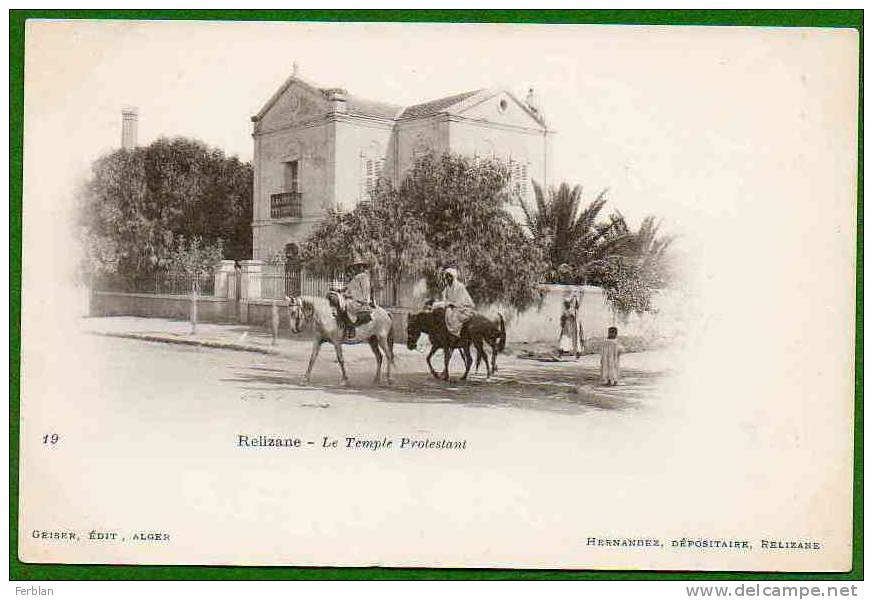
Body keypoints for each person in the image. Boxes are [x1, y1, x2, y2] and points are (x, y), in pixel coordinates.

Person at [435, 267, 475, 340]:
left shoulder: (460, 287)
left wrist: (450, 304)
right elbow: (445, 299)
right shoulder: (447, 288)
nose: (448, 278)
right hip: (453, 306)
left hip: (464, 307)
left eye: (449, 276)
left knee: (451, 314)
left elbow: (461, 301)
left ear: (453, 277)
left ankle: (454, 334)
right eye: (446, 276)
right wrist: (438, 304)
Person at [339, 254, 373, 337]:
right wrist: (339, 291)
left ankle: (351, 328)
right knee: (340, 303)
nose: (356, 268)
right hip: (353, 300)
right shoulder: (355, 278)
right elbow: (347, 288)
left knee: (345, 305)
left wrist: (363, 300)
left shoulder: (363, 277)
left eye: (358, 266)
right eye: (355, 267)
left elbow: (366, 291)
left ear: (362, 267)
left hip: (359, 302)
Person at [557, 294, 583, 358]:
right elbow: (565, 318)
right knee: (564, 338)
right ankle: (561, 353)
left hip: (573, 327)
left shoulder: (574, 311)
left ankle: (577, 353)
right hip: (568, 326)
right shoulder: (567, 311)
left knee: (575, 339)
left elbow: (574, 317)